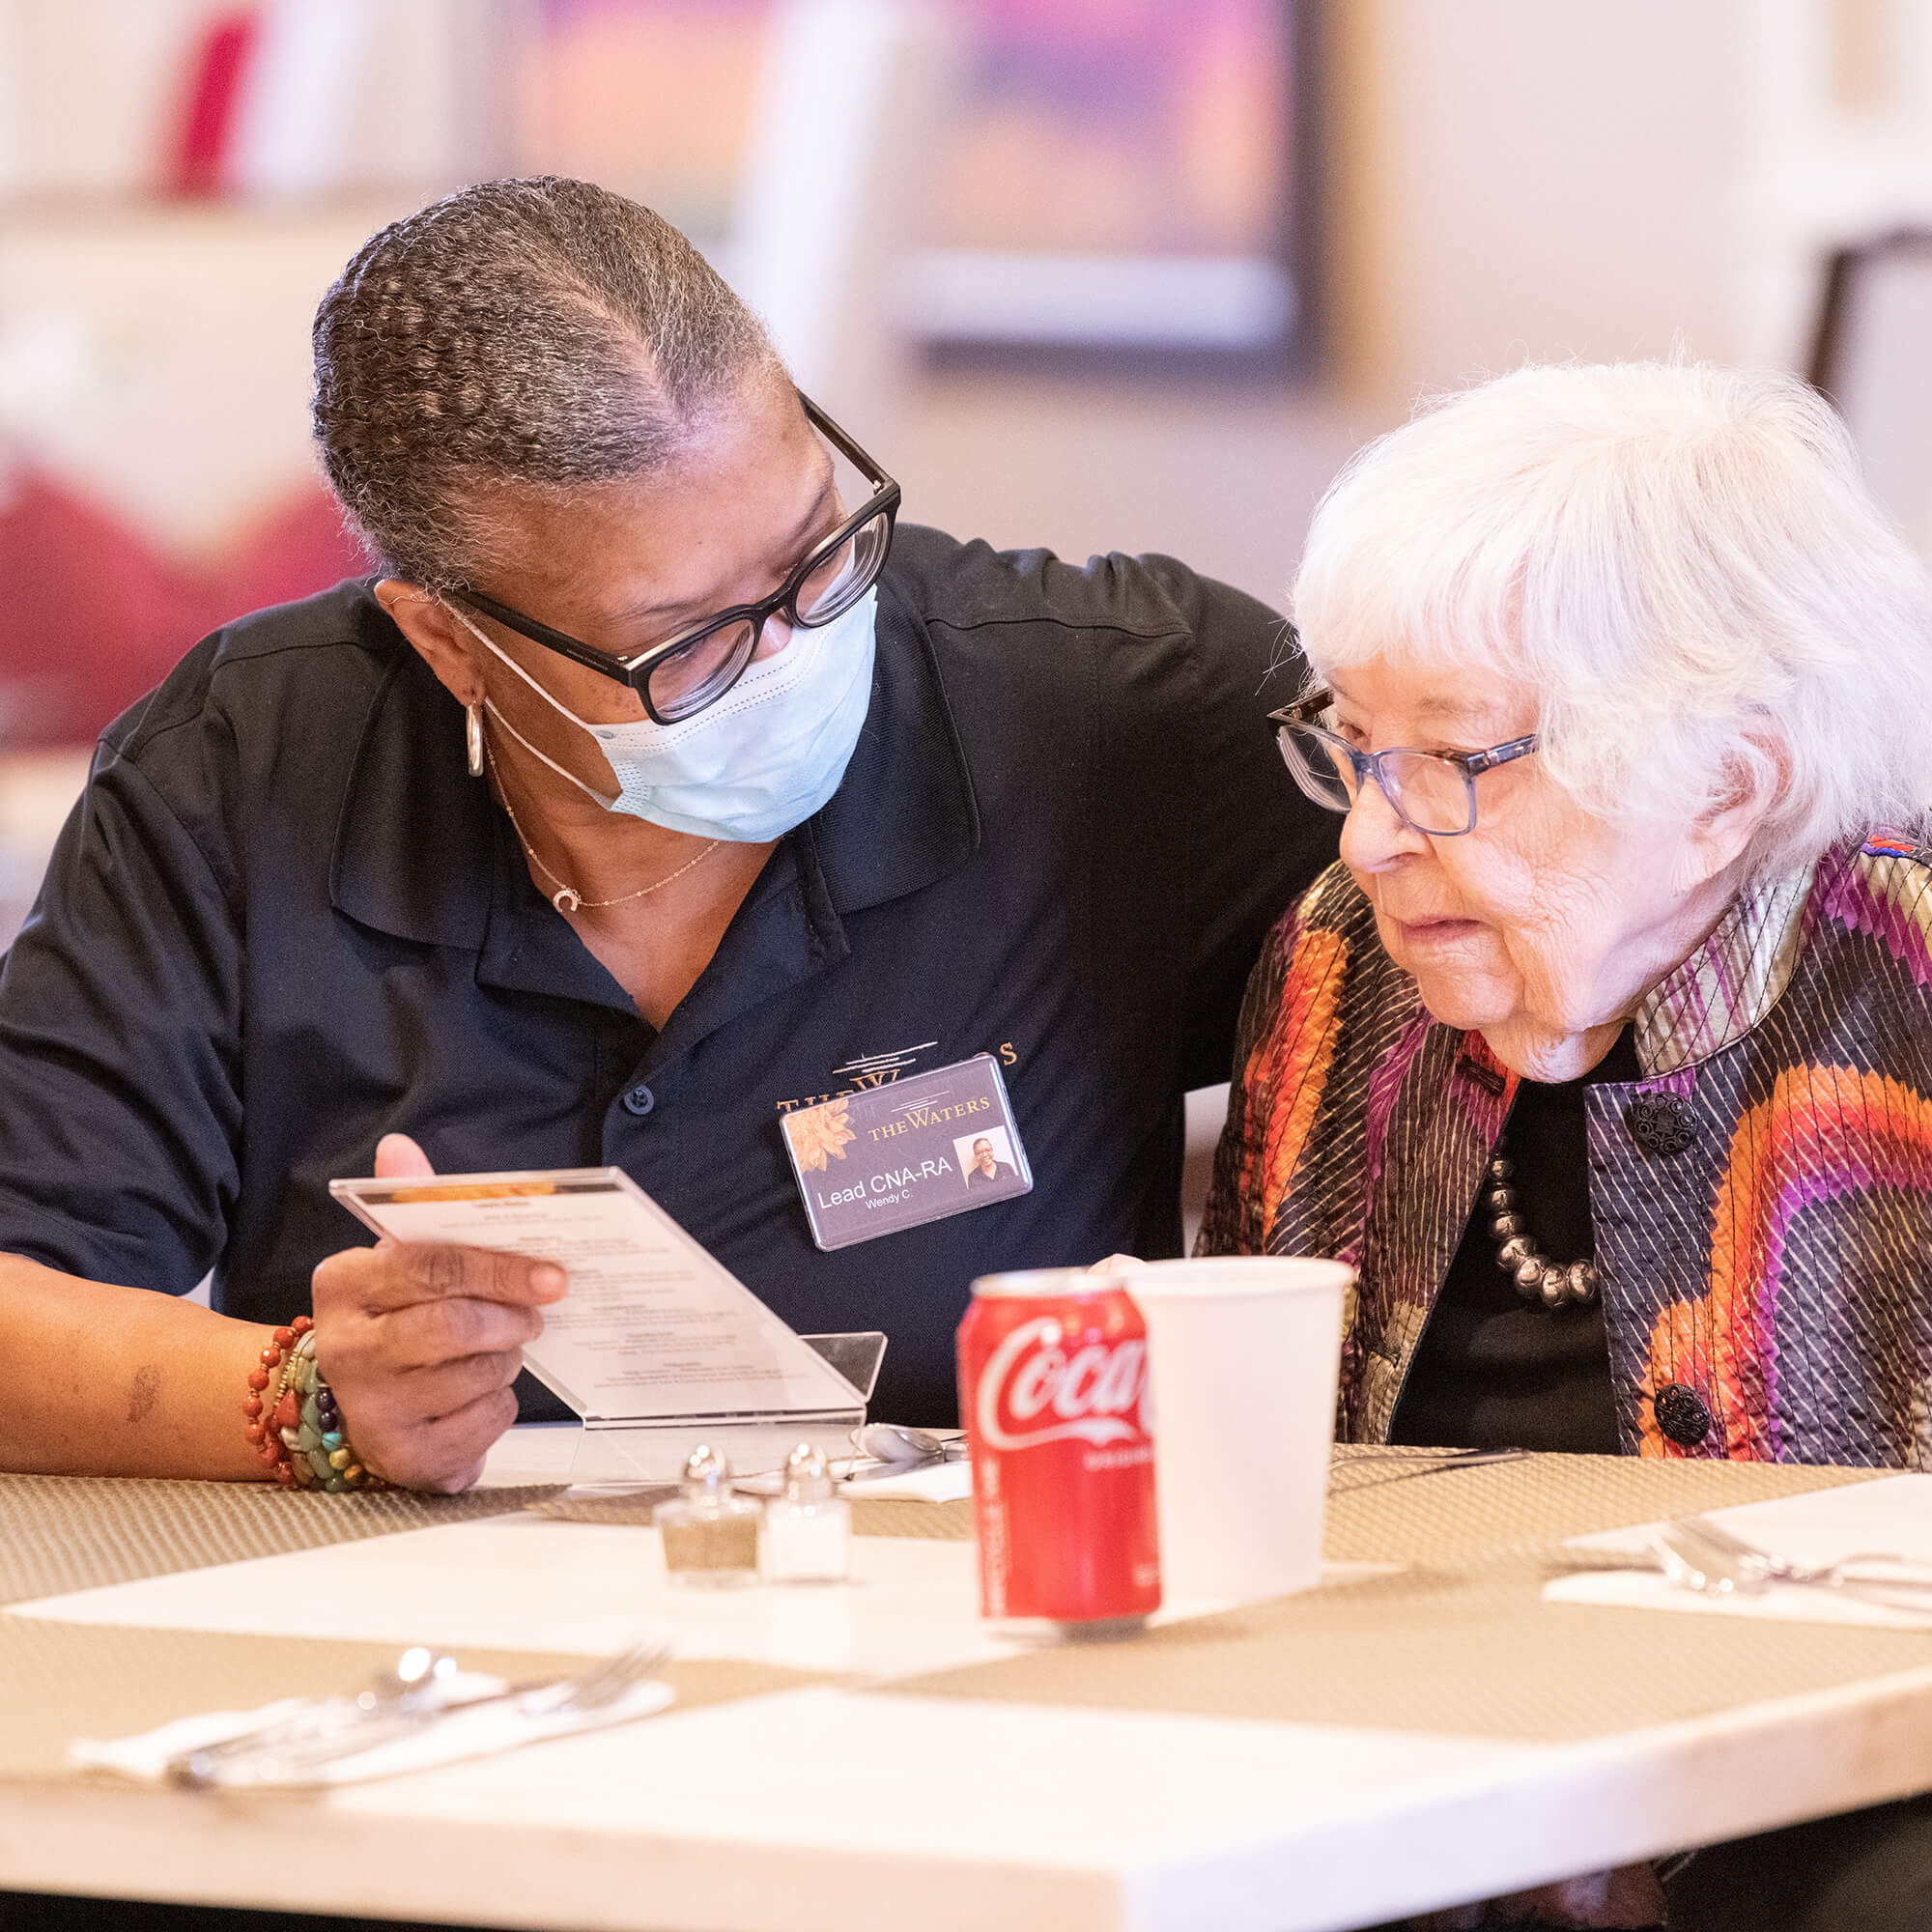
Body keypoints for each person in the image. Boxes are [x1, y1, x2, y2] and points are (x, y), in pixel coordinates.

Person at [0, 176, 1333, 1496]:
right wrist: (310, 1401)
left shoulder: (1110, 721)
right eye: (689, 645)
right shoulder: (249, 767)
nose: (796, 652)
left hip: (980, 1613)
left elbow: (1500, 855)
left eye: (821, 553)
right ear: (449, 644)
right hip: (441, 1638)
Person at [1200, 359, 1932, 1931]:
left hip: (1855, 1771)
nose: (1369, 835)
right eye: (1355, 746)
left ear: (1727, 790)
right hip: (1386, 1749)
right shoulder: (1347, 962)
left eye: (1454, 760)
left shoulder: (1914, 972)